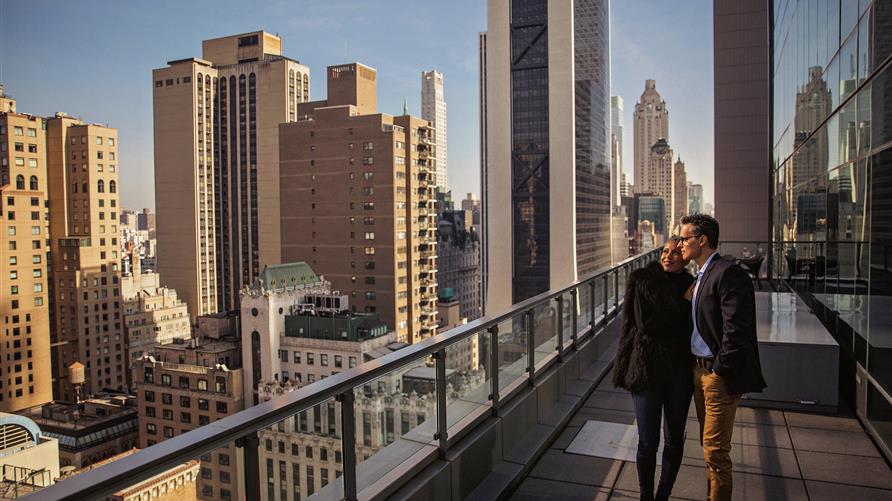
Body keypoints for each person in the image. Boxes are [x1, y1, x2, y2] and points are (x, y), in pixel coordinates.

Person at [678, 214, 767, 501]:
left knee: (716, 453)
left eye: (684, 239)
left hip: (716, 376)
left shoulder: (727, 273)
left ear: (702, 240)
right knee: (708, 447)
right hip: (698, 373)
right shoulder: (702, 275)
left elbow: (736, 330)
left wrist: (719, 370)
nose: (680, 244)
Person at [614, 237, 695, 501]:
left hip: (679, 369)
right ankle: (646, 495)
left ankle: (663, 493)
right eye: (665, 251)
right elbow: (647, 325)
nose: (668, 256)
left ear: (686, 257)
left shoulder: (693, 284)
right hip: (647, 367)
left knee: (674, 439)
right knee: (648, 441)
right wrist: (683, 305)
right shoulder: (643, 281)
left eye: (675, 252)